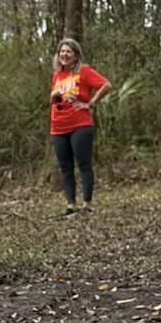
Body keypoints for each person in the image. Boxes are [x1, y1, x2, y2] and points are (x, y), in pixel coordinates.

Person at [49, 37, 110, 217]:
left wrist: (89, 103)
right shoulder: (57, 75)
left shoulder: (84, 71)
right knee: (65, 167)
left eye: (68, 52)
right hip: (58, 127)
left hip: (80, 124)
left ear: (75, 55)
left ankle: (87, 204)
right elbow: (54, 100)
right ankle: (70, 205)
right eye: (62, 52)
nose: (64, 55)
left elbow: (106, 85)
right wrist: (55, 97)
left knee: (84, 164)